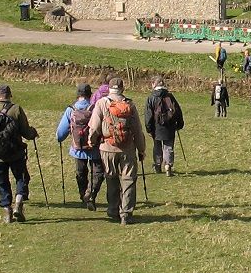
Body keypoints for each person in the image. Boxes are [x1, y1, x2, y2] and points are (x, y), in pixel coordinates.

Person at [88, 78, 147, 226]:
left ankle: (113, 209)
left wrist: (91, 140)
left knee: (111, 178)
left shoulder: (102, 103)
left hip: (107, 147)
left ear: (109, 88)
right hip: (128, 148)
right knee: (128, 180)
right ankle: (126, 213)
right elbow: (137, 130)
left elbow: (95, 126)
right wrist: (141, 149)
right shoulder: (130, 104)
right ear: (122, 89)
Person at [0, 83, 38, 223]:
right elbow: (25, 131)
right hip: (15, 152)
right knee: (21, 178)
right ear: (9, 95)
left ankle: (7, 211)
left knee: (2, 182)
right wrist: (33, 133)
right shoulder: (16, 109)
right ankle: (18, 203)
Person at [57, 82, 103, 210]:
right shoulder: (95, 108)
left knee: (81, 173)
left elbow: (60, 133)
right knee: (98, 173)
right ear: (90, 95)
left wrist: (60, 138)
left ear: (78, 95)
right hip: (94, 147)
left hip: (78, 148)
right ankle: (91, 194)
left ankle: (83, 195)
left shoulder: (71, 110)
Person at [144, 79, 185, 175]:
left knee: (157, 146)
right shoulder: (170, 96)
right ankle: (168, 166)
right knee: (168, 146)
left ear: (154, 84)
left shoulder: (151, 97)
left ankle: (157, 165)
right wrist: (179, 124)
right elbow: (178, 111)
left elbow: (148, 115)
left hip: (156, 127)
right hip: (170, 126)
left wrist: (149, 128)